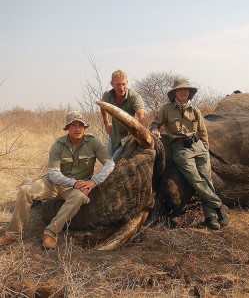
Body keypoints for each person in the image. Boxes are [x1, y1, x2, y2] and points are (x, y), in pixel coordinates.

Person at [0, 111, 114, 249]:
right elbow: (53, 173)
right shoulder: (58, 145)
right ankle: (13, 234)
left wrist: (94, 181)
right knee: (25, 190)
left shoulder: (93, 142)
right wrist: (73, 182)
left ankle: (50, 233)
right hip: (55, 183)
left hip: (77, 187)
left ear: (84, 128)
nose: (77, 129)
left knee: (79, 197)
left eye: (81, 125)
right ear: (67, 128)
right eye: (73, 125)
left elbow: (110, 163)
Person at [150, 78, 229, 230]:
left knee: (207, 180)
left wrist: (205, 147)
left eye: (186, 90)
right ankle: (218, 206)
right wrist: (154, 129)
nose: (183, 92)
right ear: (175, 93)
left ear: (189, 93)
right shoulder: (166, 109)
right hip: (181, 149)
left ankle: (210, 217)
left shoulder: (196, 110)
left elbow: (202, 131)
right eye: (180, 90)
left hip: (199, 147)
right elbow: (155, 123)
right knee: (196, 181)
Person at [101, 69, 147, 161]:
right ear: (112, 84)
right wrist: (106, 123)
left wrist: (139, 134)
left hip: (129, 136)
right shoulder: (107, 95)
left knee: (112, 163)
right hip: (114, 134)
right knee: (108, 161)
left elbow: (141, 116)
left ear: (127, 83)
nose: (121, 88)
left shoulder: (134, 96)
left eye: (123, 84)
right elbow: (102, 107)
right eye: (118, 84)